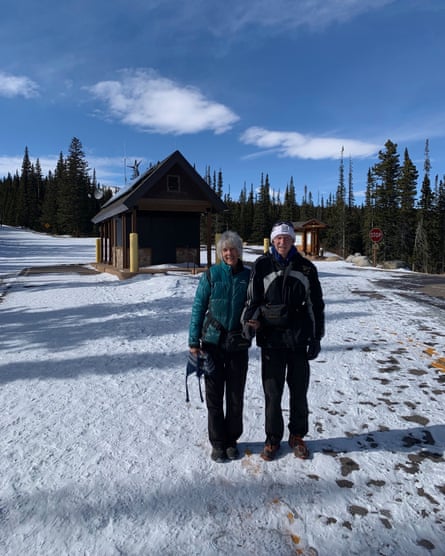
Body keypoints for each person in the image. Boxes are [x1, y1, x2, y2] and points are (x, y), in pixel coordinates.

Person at [242, 221, 325, 461]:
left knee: (299, 391)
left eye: (286, 238)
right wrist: (249, 324)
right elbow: (253, 300)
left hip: (298, 339)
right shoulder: (262, 265)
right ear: (273, 240)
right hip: (271, 340)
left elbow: (316, 305)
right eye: (278, 238)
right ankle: (272, 438)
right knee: (273, 393)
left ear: (293, 241)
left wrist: (316, 337)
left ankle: (297, 436)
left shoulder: (307, 267)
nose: (282, 242)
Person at [188, 231, 251, 463]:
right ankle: (217, 442)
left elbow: (256, 306)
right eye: (225, 250)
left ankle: (232, 439)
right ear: (220, 253)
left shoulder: (248, 276)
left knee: (235, 396)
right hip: (212, 344)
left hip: (237, 345)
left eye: (233, 249)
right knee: (214, 397)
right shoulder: (211, 276)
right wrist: (193, 341)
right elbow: (198, 307)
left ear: (239, 251)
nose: (229, 253)